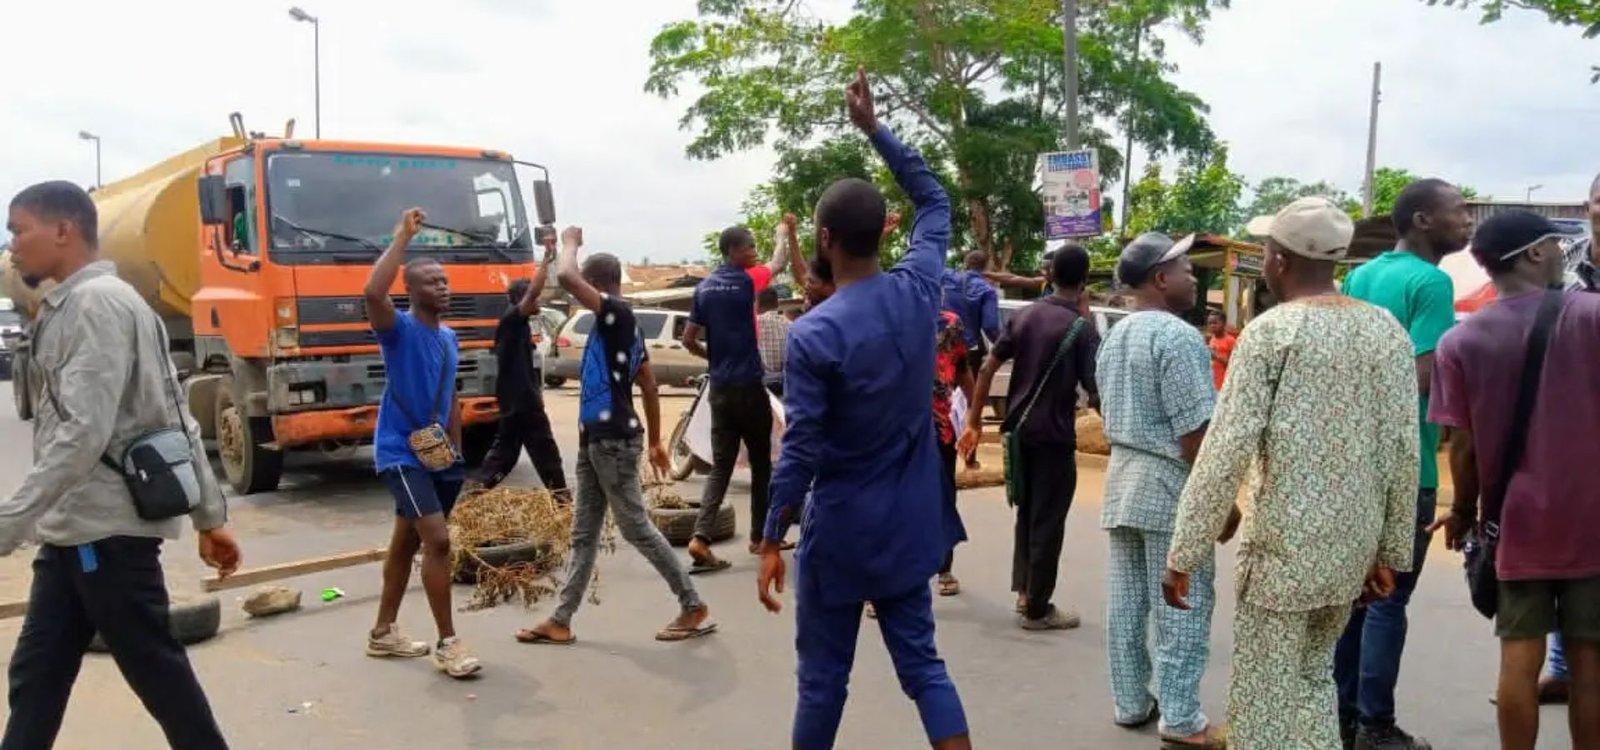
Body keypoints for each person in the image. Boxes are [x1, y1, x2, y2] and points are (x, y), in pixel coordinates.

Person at [756, 67, 970, 750]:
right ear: (883, 231)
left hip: (844, 530)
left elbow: (804, 448)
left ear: (823, 239)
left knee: (823, 682)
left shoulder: (815, 333)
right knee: (925, 670)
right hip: (910, 525)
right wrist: (875, 129)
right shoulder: (917, 290)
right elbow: (934, 199)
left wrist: (770, 534)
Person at [1164, 197, 1419, 750]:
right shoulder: (1387, 333)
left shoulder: (1271, 333)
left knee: (1264, 703)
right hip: (1349, 553)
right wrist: (1389, 552)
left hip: (1283, 553)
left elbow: (1224, 451)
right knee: (1310, 685)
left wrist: (1183, 551)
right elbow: (1405, 450)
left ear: (1278, 259)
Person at [0, 181, 240, 749]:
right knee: (36, 678)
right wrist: (209, 514)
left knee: (159, 676)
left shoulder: (95, 306)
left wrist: (8, 524)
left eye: (19, 230)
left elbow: (83, 433)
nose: (12, 247)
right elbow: (176, 414)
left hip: (103, 535)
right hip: (74, 533)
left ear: (63, 231)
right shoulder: (96, 301)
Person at [1426, 210, 1600, 750]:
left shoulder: (1461, 341)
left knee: (1518, 659)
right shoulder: (1594, 317)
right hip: (1592, 520)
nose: (1563, 256)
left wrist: (1463, 512)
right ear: (1533, 254)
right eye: (1555, 245)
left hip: (1517, 525)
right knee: (1590, 666)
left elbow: (1465, 447)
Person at [514, 228, 716, 646]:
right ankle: (561, 619)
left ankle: (692, 605)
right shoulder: (620, 330)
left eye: (587, 285)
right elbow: (648, 381)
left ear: (601, 284)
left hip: (613, 441)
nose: (576, 294)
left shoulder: (618, 315)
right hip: (597, 440)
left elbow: (568, 277)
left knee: (635, 527)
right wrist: (658, 440)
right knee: (583, 533)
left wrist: (568, 243)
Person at [1334, 178, 1471, 750]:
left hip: (1350, 459)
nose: (1467, 222)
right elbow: (1422, 373)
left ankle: (1340, 716)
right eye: (1458, 212)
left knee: (1355, 598)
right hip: (1405, 464)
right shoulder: (1431, 282)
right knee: (1389, 599)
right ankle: (1375, 725)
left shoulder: (1361, 276)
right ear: (1421, 220)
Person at [1096, 232, 1228, 748]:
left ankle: (1131, 701)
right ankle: (1181, 715)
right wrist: (1220, 503)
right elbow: (1196, 434)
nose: (1194, 277)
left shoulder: (1117, 336)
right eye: (1186, 268)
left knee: (1128, 601)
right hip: (1168, 485)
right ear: (1159, 278)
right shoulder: (1176, 338)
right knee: (1182, 602)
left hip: (1122, 481)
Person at [363, 207, 481, 680]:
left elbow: (451, 394)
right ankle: (448, 643)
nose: (443, 287)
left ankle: (382, 632)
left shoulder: (450, 337)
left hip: (438, 455)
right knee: (438, 540)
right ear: (410, 290)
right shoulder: (399, 331)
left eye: (445, 281)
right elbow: (373, 291)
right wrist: (400, 241)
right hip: (398, 451)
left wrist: (454, 450)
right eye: (432, 282)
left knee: (404, 543)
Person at [960, 245, 1100, 631]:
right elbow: (1095, 390)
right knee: (1049, 520)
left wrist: (973, 422)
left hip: (1018, 433)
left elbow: (988, 368)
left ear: (1050, 277)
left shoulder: (1025, 316)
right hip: (1055, 437)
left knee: (1027, 512)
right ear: (1084, 281)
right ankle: (1038, 608)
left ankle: (1024, 592)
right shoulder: (1082, 329)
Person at [682, 211, 795, 570]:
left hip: (720, 389)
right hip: (749, 387)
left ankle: (700, 538)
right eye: (749, 246)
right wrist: (782, 232)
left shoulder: (704, 288)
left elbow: (688, 340)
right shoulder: (748, 281)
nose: (754, 251)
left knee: (721, 466)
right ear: (733, 250)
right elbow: (779, 262)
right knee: (762, 464)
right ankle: (759, 538)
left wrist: (712, 358)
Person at [472, 239, 568, 497]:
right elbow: (534, 292)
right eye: (532, 297)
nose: (538, 301)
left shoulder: (518, 324)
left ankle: (470, 501)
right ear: (520, 298)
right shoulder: (513, 319)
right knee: (546, 455)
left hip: (516, 402)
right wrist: (547, 259)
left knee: (504, 457)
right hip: (523, 403)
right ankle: (564, 504)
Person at [932, 311, 975, 597]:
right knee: (895, 499)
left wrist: (974, 417)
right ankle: (888, 585)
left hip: (941, 428)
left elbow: (962, 369)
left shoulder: (950, 323)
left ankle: (943, 566)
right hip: (896, 428)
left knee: (943, 496)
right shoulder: (889, 317)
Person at [942, 250, 1000, 373]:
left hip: (943, 345)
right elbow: (990, 327)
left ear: (965, 264)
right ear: (985, 267)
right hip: (969, 349)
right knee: (970, 390)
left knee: (943, 388)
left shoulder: (947, 276)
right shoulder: (987, 291)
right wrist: (1004, 346)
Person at [757, 287, 790, 396]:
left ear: (757, 303)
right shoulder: (790, 324)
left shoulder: (754, 323)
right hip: (785, 383)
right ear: (777, 303)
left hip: (762, 384)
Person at [1204, 309, 1235, 391]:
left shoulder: (1230, 340)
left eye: (1215, 323)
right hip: (1213, 382)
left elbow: (1234, 363)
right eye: (1210, 323)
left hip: (1225, 384)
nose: (1212, 326)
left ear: (1224, 323)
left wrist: (1217, 356)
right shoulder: (1212, 339)